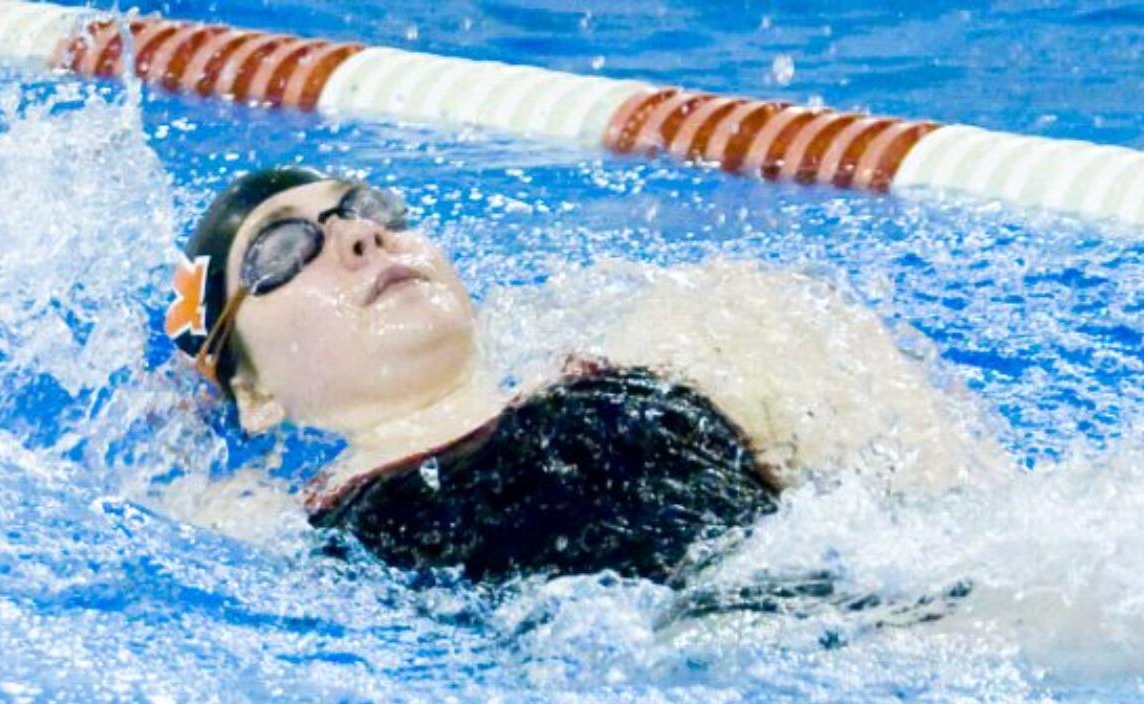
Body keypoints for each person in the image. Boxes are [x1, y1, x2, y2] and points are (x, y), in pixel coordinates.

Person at [164, 166, 1001, 587]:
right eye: (283, 253)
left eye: (369, 209)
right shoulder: (277, 527)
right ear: (256, 394)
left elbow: (950, 509)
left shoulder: (673, 343)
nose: (358, 238)